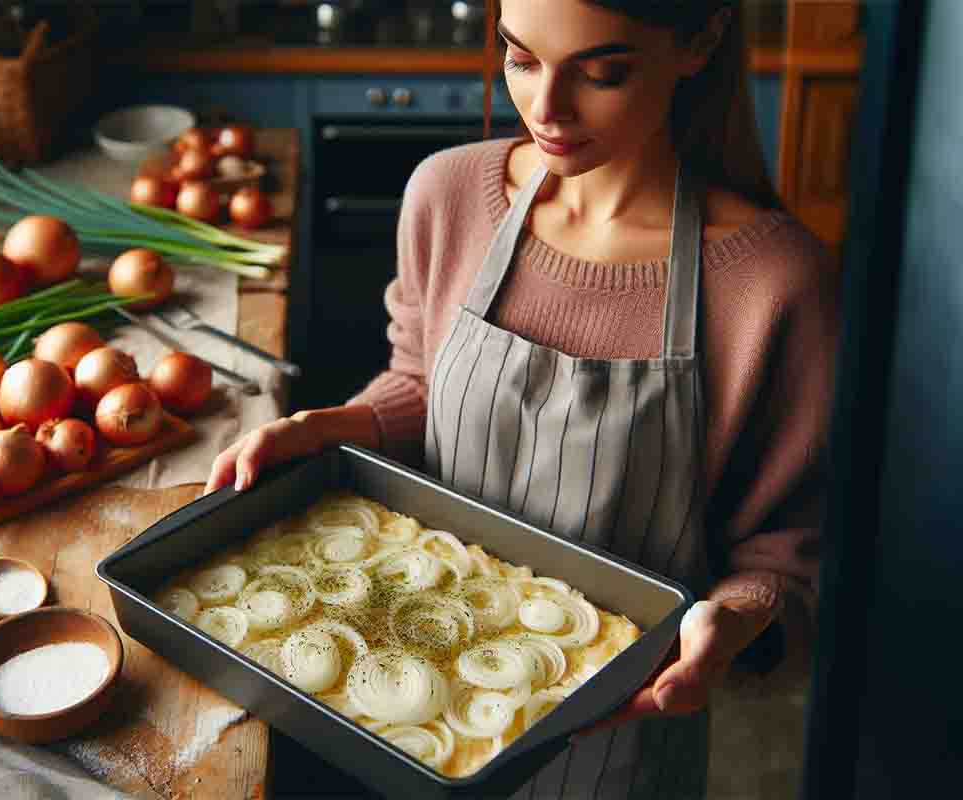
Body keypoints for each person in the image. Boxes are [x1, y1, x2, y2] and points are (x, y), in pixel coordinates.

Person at [206, 0, 839, 796]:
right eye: (520, 57)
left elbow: (786, 550)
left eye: (602, 72)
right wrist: (330, 424)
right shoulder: (448, 194)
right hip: (401, 687)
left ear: (701, 41)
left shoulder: (774, 282)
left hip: (610, 742)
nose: (545, 110)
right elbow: (421, 383)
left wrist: (738, 617)